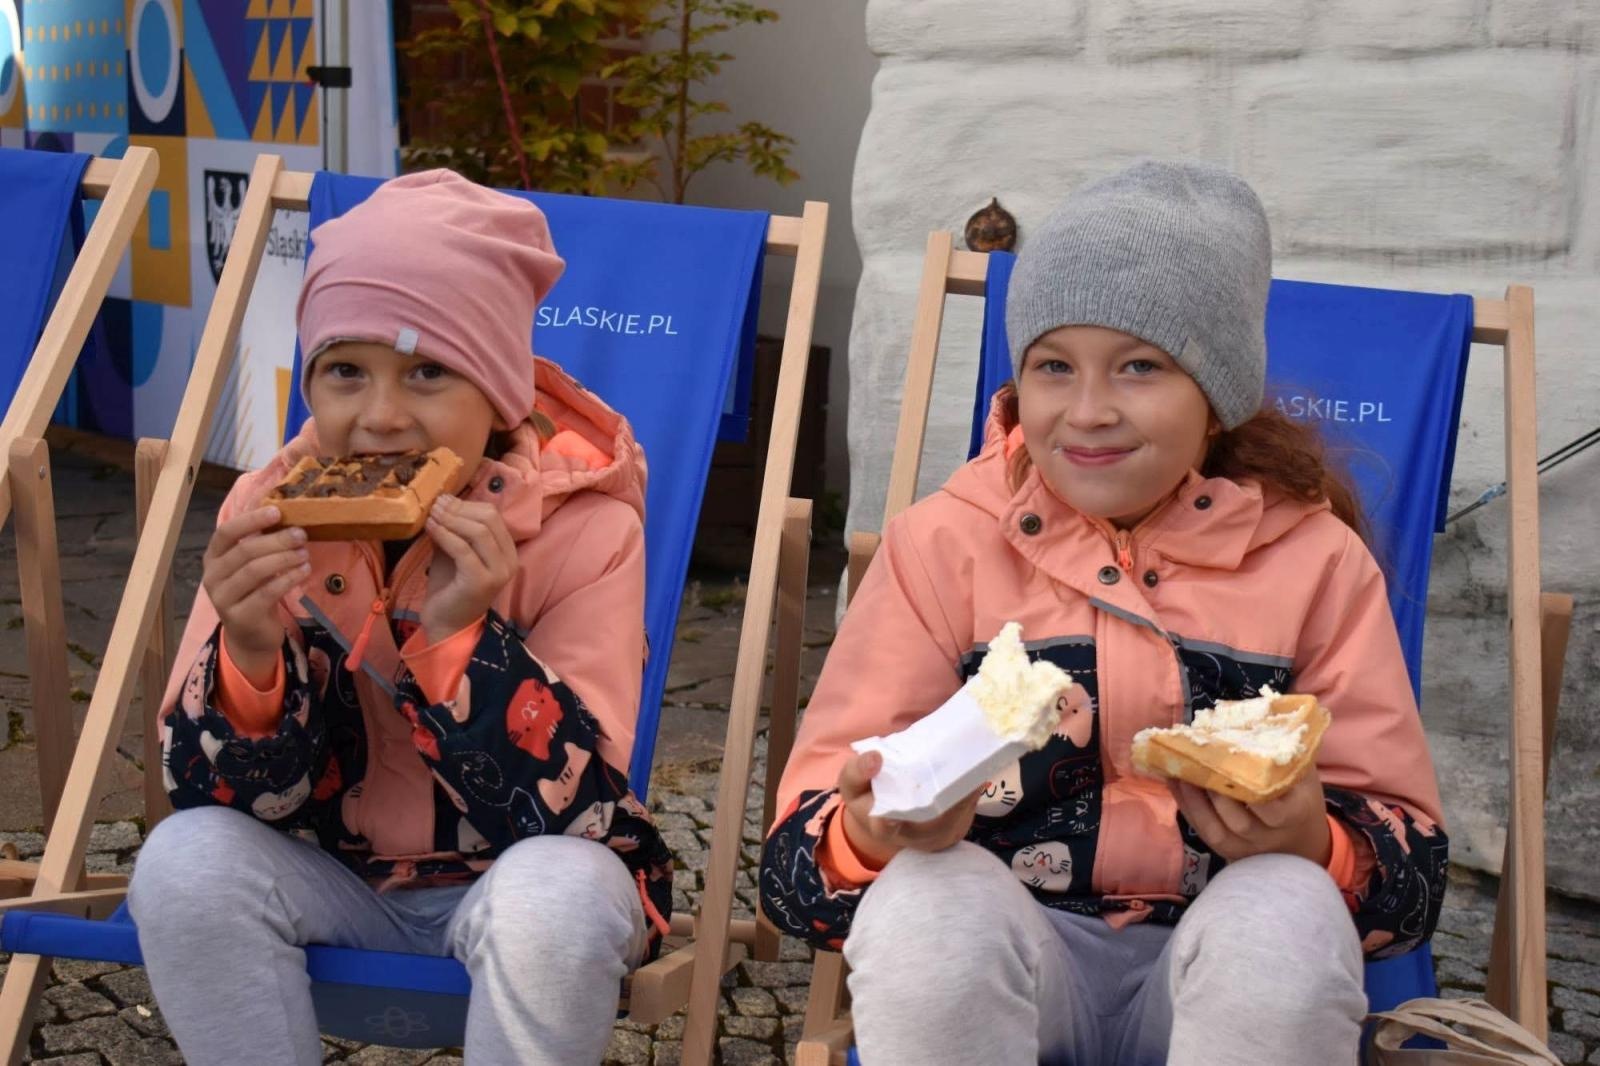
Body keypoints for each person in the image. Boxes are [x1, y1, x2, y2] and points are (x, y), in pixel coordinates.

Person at [760, 160, 1448, 1065]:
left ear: (1217, 398)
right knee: (930, 904)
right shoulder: (944, 548)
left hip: (1217, 972)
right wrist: (867, 828)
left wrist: (1318, 841)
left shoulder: (1315, 564)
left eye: (1140, 367)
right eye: (1054, 366)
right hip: (1014, 966)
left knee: (1287, 906)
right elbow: (794, 868)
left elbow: (1412, 886)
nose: (1088, 412)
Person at [129, 170, 672, 1066]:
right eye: (345, 371)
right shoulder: (267, 516)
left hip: (517, 889)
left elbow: (584, 816)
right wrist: (252, 655)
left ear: (498, 393)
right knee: (186, 858)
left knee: (563, 887)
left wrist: (461, 637)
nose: (381, 417)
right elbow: (207, 795)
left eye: (426, 372)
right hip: (328, 882)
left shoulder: (586, 531)